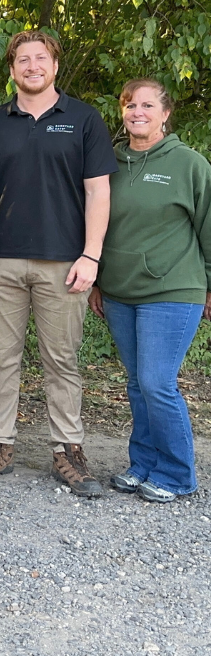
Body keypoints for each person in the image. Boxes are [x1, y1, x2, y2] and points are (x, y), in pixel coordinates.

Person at [0, 30, 117, 496]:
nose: (32, 66)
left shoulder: (84, 120)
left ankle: (68, 451)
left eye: (41, 58)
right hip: (0, 262)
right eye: (23, 60)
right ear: (11, 69)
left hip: (65, 263)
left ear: (55, 66)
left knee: (62, 360)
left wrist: (92, 255)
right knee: (0, 359)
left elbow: (98, 191)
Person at [90, 80, 211, 503]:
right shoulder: (109, 163)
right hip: (120, 291)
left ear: (165, 113)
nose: (136, 112)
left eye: (146, 105)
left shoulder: (189, 165)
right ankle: (143, 464)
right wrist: (98, 281)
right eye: (129, 105)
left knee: (158, 382)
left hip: (174, 290)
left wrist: (210, 285)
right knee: (138, 384)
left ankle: (178, 474)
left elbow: (208, 230)